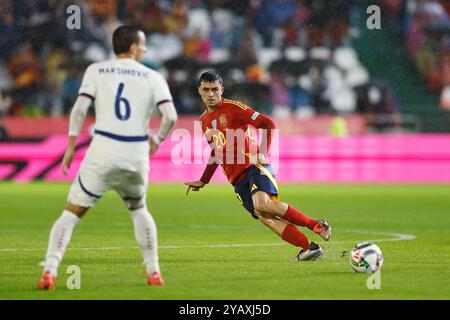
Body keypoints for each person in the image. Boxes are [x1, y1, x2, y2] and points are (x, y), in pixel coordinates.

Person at [38, 26, 178, 289]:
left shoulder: (96, 70)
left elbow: (79, 108)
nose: (145, 50)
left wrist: (70, 146)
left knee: (71, 213)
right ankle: (154, 271)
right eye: (143, 45)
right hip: (135, 154)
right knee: (139, 210)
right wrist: (157, 140)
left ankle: (50, 269)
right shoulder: (152, 76)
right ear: (134, 47)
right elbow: (170, 116)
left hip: (102, 150)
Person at [184, 71, 331, 261]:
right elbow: (216, 152)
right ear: (199, 91)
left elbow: (268, 123)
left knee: (262, 204)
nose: (211, 94)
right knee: (264, 216)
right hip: (236, 179)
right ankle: (309, 248)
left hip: (253, 166)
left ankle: (315, 225)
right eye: (206, 90)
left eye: (215, 89)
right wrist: (203, 180)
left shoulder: (233, 108)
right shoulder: (203, 121)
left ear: (222, 89)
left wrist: (263, 152)